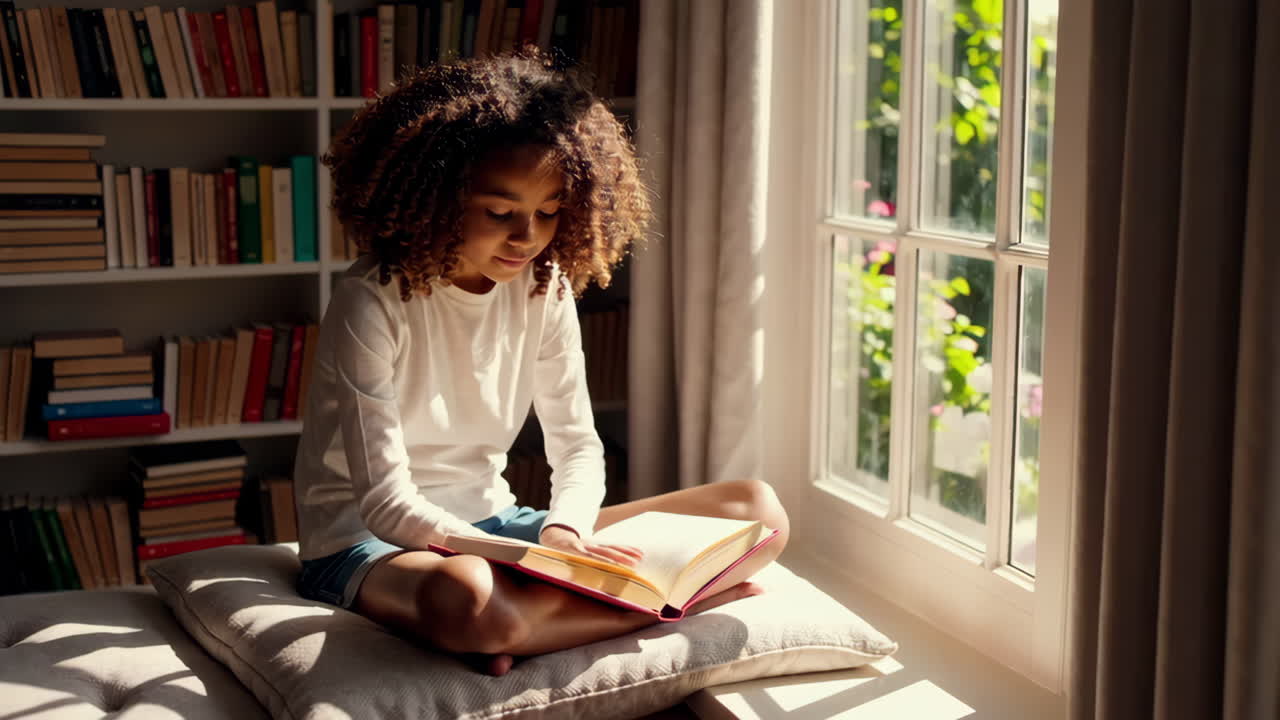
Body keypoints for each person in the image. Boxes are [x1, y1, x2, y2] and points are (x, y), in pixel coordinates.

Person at [292, 52, 789, 676]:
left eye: (549, 211)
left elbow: (579, 447)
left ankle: (535, 625)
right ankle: (662, 607)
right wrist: (515, 559)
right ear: (437, 198)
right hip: (369, 543)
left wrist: (564, 535)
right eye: (500, 213)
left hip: (498, 524)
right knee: (473, 595)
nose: (527, 236)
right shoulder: (371, 302)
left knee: (755, 510)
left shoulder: (543, 288)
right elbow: (387, 504)